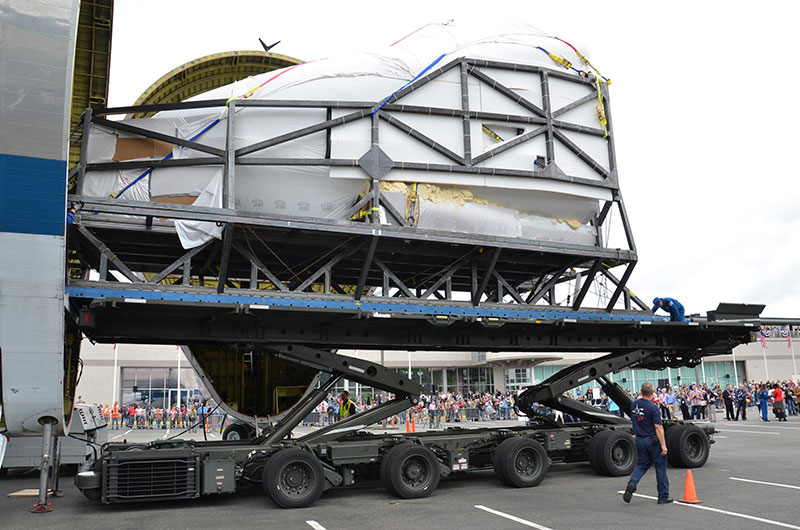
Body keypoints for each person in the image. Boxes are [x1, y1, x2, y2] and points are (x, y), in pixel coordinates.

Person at [622, 382, 671, 504]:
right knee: (660, 467)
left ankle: (632, 483)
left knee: (642, 465)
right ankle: (663, 495)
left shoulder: (634, 405)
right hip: (652, 440)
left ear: (641, 391)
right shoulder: (653, 407)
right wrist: (663, 445)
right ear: (652, 392)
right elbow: (658, 427)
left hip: (639, 439)